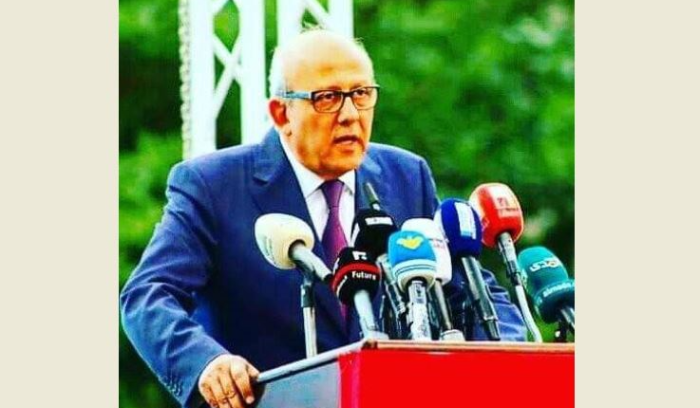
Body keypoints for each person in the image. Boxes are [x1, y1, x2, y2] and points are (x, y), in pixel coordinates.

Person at [120, 29, 527, 408]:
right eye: (328, 98)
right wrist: (207, 364)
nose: (350, 114)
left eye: (362, 94)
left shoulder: (406, 177)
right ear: (281, 113)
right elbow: (148, 295)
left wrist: (508, 358)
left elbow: (470, 291)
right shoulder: (213, 186)